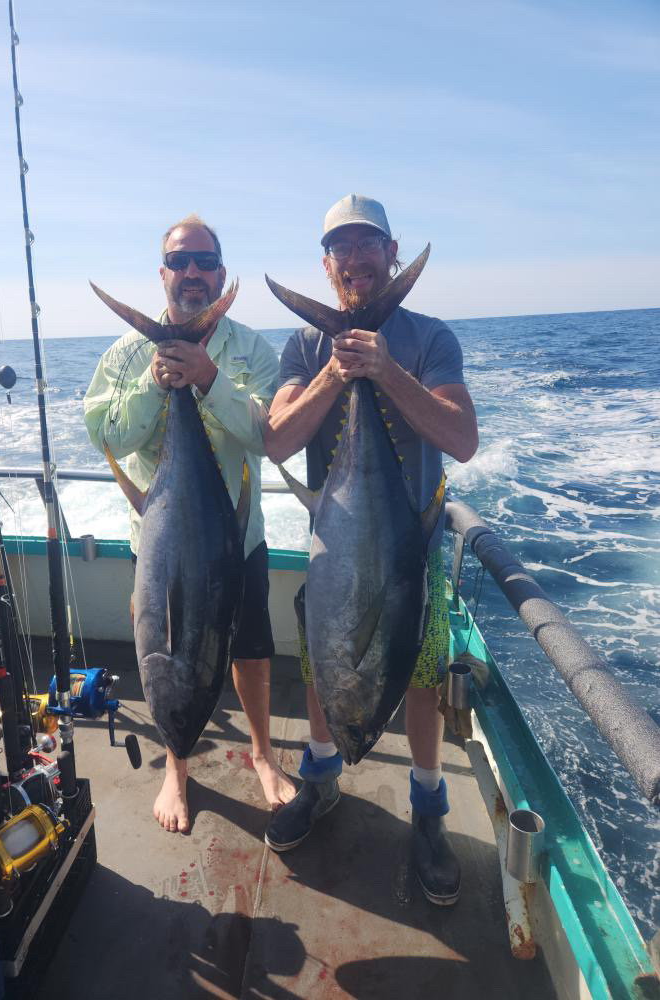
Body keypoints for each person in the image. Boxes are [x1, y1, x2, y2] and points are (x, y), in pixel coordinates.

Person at [262, 194, 478, 905]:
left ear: (392, 252)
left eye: (368, 245)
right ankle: (320, 779)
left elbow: (461, 439)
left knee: (416, 678)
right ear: (327, 266)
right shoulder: (301, 346)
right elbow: (278, 440)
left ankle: (427, 809)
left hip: (406, 552)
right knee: (328, 664)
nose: (356, 259)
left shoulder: (429, 338)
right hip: (334, 550)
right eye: (341, 249)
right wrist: (336, 372)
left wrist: (384, 370)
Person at [84, 214, 296, 833]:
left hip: (236, 538)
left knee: (252, 649)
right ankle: (176, 768)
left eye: (204, 263)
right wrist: (156, 385)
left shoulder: (251, 350)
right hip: (160, 544)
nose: (193, 273)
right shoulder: (127, 353)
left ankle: (259, 752)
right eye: (181, 262)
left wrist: (207, 380)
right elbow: (104, 435)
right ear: (164, 273)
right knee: (163, 645)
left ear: (221, 274)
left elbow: (266, 435)